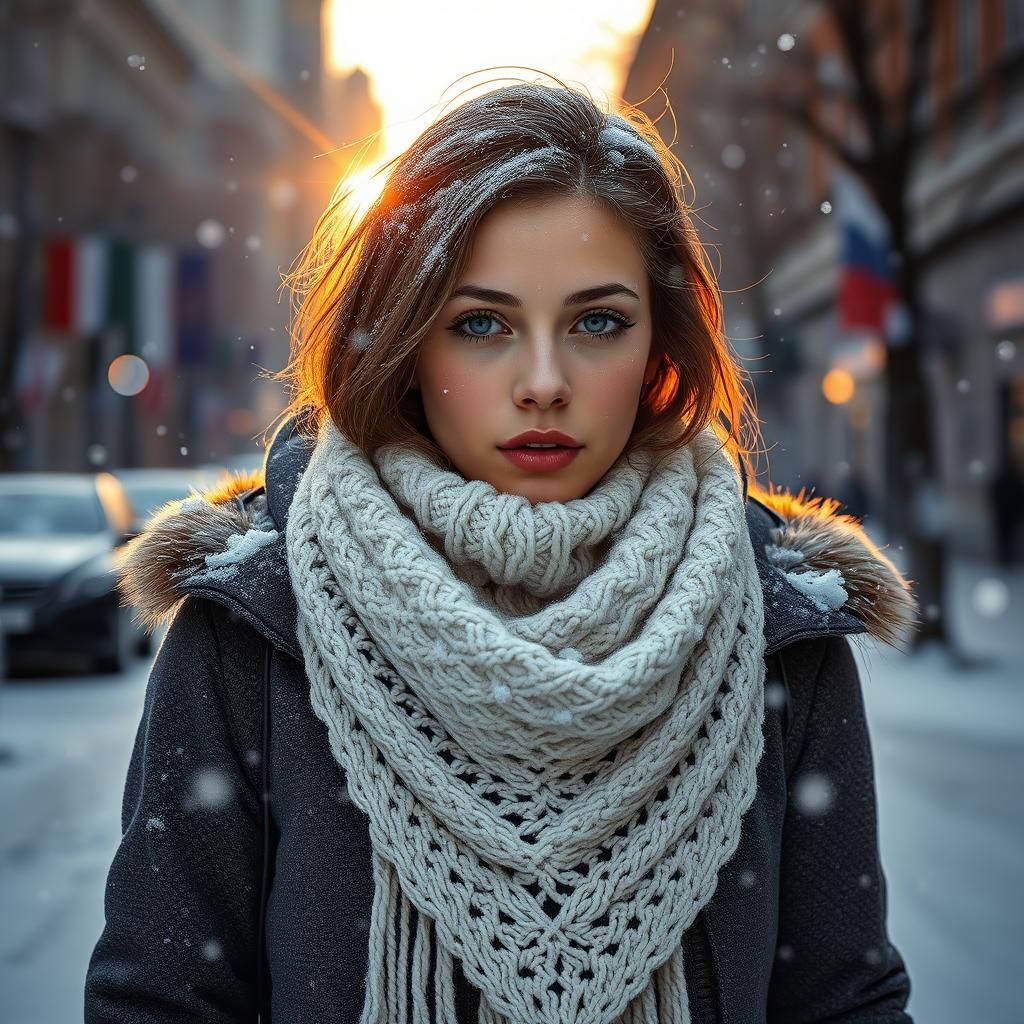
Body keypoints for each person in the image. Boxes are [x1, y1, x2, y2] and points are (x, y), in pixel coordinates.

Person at [85, 79, 919, 1024]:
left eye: (598, 322)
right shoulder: (253, 623)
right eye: (481, 324)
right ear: (407, 344)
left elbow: (845, 1002)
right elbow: (159, 1001)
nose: (544, 383)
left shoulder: (776, 625)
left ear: (660, 344)